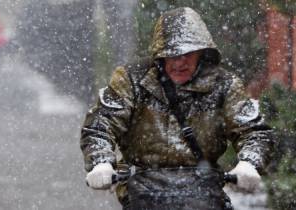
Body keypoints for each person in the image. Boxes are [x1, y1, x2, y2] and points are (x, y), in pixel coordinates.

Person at [80, 7, 274, 210]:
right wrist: (101, 161)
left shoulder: (223, 85)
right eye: (172, 54)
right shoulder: (131, 80)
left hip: (204, 193)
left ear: (202, 52)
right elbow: (101, 123)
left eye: (188, 54)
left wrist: (249, 163)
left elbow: (253, 131)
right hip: (143, 192)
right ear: (159, 55)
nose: (180, 62)